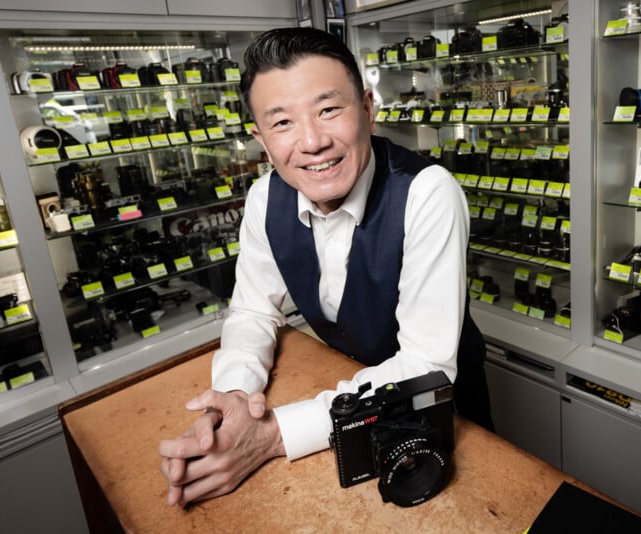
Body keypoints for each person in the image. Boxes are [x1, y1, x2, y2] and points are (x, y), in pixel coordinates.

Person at [158, 26, 492, 507]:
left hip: (440, 415)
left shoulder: (427, 192)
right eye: (283, 123)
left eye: (329, 109)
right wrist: (235, 398)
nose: (312, 142)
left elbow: (425, 364)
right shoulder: (263, 198)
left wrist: (274, 435)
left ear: (368, 108)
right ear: (260, 138)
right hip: (340, 400)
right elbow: (253, 311)